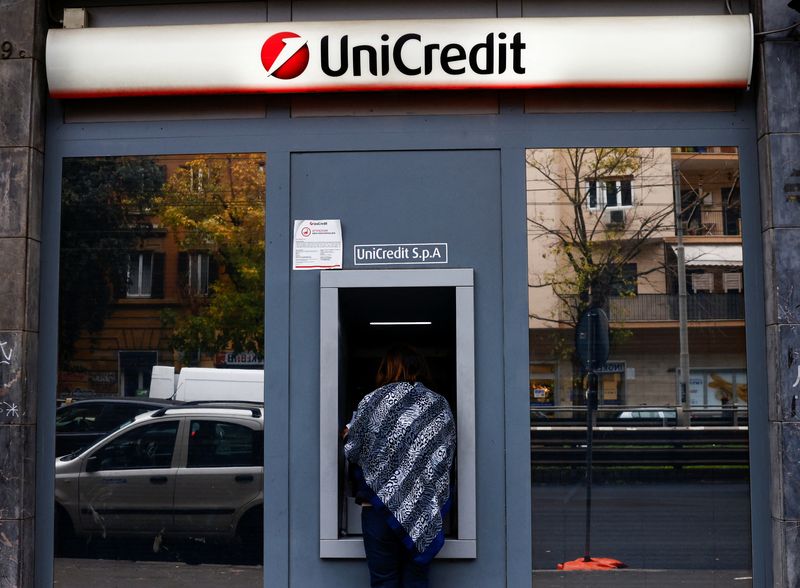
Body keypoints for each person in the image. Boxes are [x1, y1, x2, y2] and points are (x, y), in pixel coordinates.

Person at [344, 345, 456, 588]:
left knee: (383, 580)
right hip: (422, 509)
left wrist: (347, 435)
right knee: (417, 580)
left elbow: (353, 450)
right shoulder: (438, 404)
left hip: (378, 507)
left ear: (386, 368)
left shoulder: (372, 401)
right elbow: (446, 455)